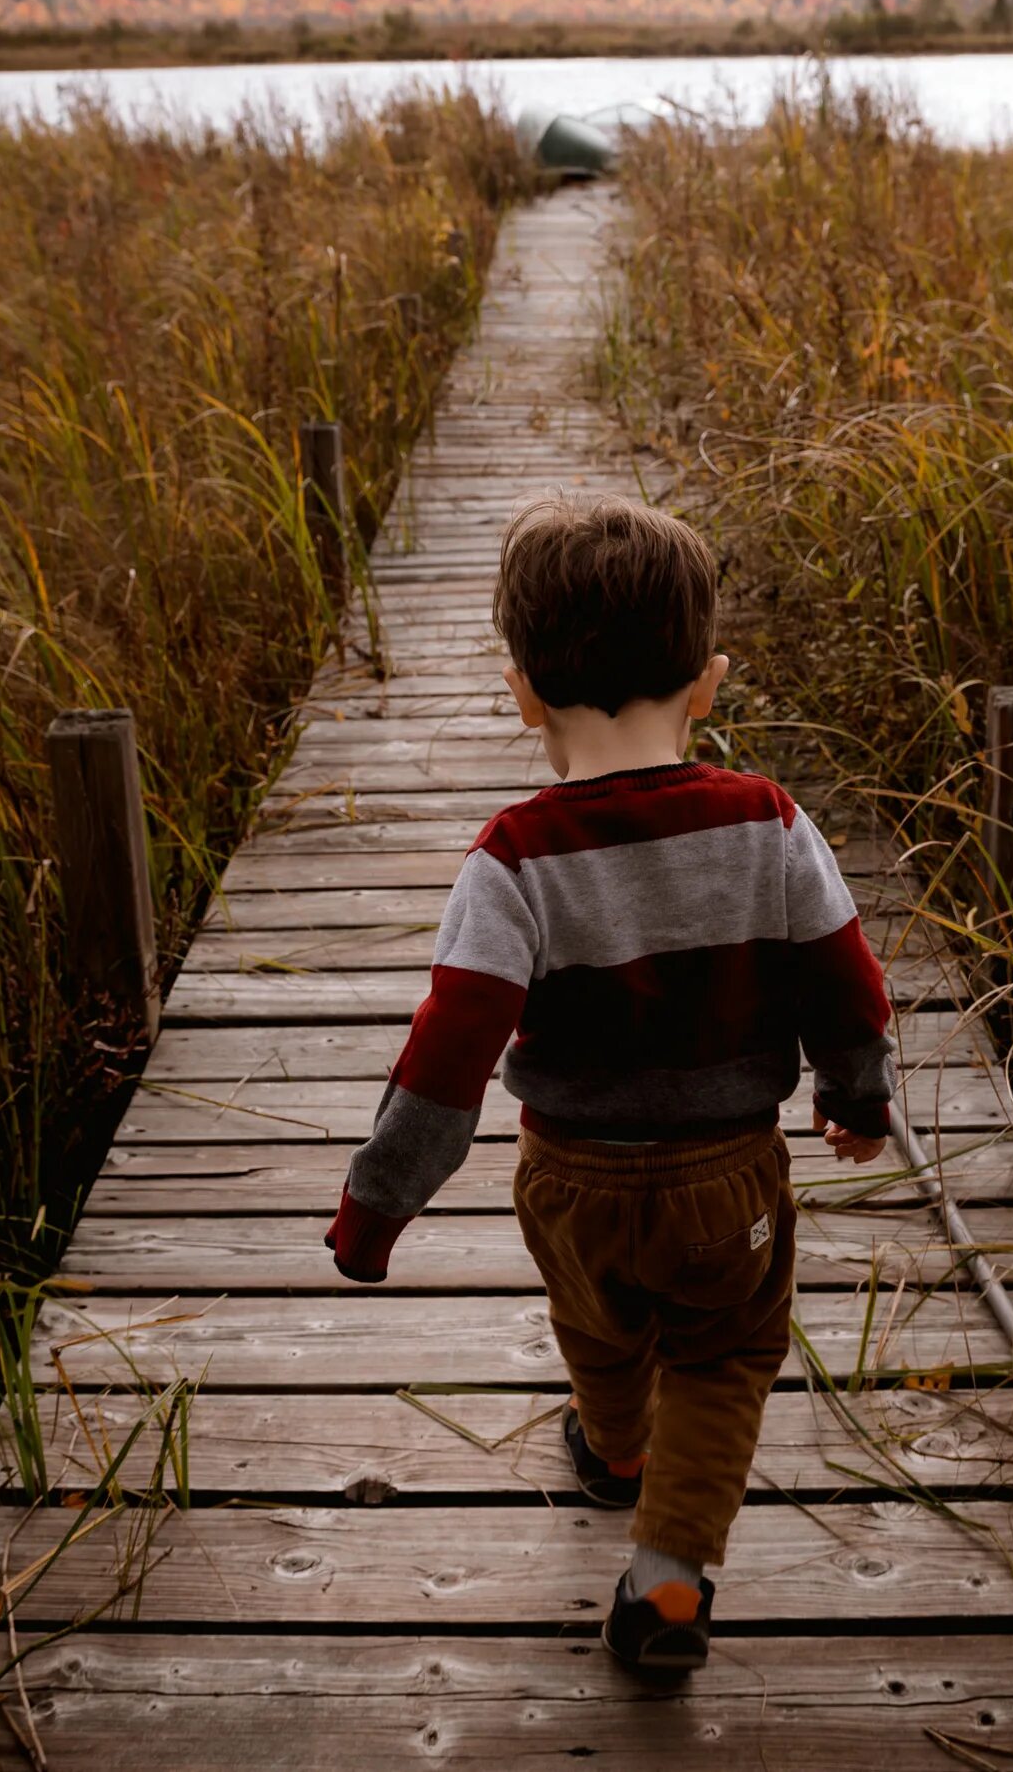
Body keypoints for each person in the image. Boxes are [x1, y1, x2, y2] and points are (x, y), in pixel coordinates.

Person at [323, 493, 896, 1675]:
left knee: (599, 1323)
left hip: (573, 1178)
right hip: (728, 1178)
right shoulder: (770, 824)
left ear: (521, 690)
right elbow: (847, 982)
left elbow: (448, 1049)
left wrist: (377, 1203)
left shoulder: (512, 859)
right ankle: (671, 1580)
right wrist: (857, 1092)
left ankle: (617, 1446)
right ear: (710, 681)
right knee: (724, 1357)